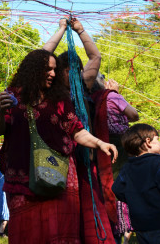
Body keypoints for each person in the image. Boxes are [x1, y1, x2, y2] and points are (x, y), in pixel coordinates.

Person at [0, 49, 117, 244]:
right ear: (33, 70)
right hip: (21, 176)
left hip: (57, 175)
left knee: (60, 232)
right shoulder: (12, 95)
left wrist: (100, 143)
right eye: (47, 69)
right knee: (27, 234)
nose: (52, 74)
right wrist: (1, 112)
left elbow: (76, 130)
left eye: (54, 69)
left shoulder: (59, 99)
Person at [43, 17, 116, 244]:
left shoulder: (82, 86)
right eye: (66, 70)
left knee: (90, 207)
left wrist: (81, 30)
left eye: (75, 69)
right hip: (60, 159)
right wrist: (61, 29)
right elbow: (39, 56)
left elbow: (96, 57)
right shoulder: (49, 91)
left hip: (86, 156)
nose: (70, 74)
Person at [112, 124, 160, 244]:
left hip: (141, 226)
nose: (159, 143)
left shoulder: (127, 167)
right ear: (148, 142)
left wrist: (134, 198)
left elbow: (117, 188)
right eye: (157, 140)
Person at [90, 74, 139, 244]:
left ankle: (106, 229)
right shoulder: (111, 96)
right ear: (102, 82)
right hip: (118, 146)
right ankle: (123, 229)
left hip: (96, 145)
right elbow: (134, 115)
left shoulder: (89, 98)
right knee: (121, 186)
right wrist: (117, 94)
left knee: (103, 187)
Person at [0, 155, 9, 238]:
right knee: (5, 214)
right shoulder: (4, 170)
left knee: (3, 213)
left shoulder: (0, 170)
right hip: (4, 195)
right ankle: (1, 232)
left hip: (2, 194)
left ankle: (3, 231)